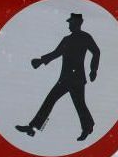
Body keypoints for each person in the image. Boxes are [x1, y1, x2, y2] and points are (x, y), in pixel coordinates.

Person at [15, 12, 100, 141]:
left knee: (79, 104)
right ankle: (33, 128)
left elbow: (96, 51)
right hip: (65, 78)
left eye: (71, 23)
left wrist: (93, 70)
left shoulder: (85, 37)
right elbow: (56, 53)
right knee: (52, 100)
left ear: (77, 23)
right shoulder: (67, 39)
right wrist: (41, 61)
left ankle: (87, 127)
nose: (69, 26)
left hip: (76, 78)